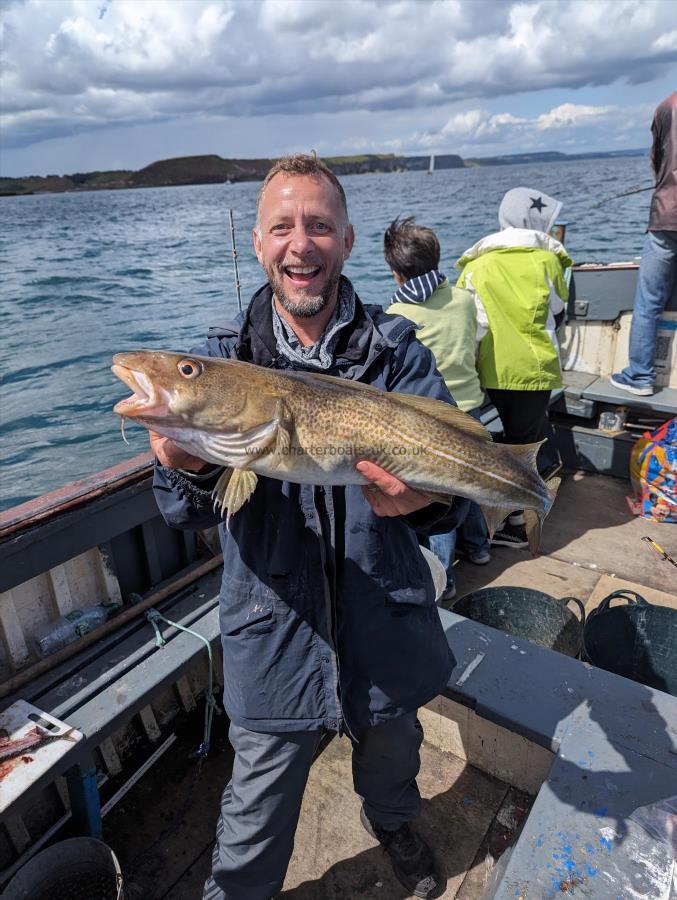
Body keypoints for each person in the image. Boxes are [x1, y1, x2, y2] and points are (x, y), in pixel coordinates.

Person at [151, 154, 469, 900]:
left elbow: (448, 492)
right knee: (255, 807)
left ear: (348, 241)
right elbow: (186, 511)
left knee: (393, 752)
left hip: (384, 616)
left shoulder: (396, 350)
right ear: (258, 244)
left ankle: (393, 824)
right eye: (283, 227)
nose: (302, 244)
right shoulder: (221, 358)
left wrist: (421, 505)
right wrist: (185, 461)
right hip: (273, 630)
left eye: (319, 226)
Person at [456, 187, 571, 548]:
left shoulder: (476, 265)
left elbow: (471, 323)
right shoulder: (548, 261)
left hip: (492, 371)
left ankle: (517, 514)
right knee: (529, 443)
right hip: (535, 370)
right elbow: (558, 309)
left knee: (512, 439)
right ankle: (523, 523)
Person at [383, 216, 490, 602]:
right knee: (472, 483)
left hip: (435, 421)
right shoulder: (462, 298)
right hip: (473, 407)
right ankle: (479, 547)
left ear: (395, 272)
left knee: (441, 493)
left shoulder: (399, 316)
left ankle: (444, 577)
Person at [611, 92, 677, 397]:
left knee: (649, 301)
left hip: (666, 214)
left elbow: (657, 159)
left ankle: (640, 376)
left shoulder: (667, 107)